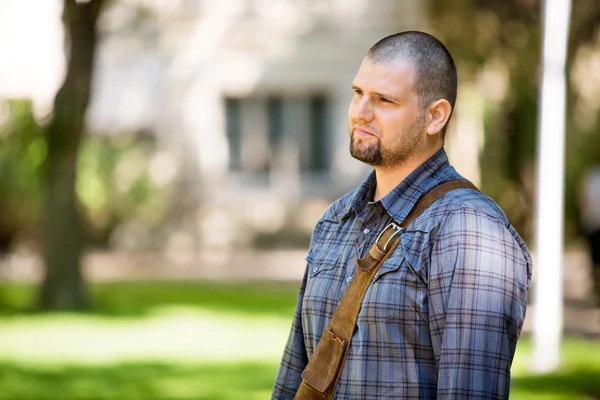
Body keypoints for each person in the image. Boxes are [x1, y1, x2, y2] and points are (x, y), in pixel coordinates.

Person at [272, 31, 532, 399]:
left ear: (435, 116)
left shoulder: (469, 231)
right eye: (358, 93)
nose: (360, 112)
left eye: (384, 100)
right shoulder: (335, 220)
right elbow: (295, 379)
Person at [579, 165, 600, 304]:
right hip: (593, 223)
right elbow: (583, 198)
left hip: (592, 221)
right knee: (594, 258)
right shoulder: (592, 175)